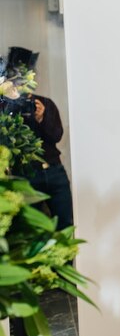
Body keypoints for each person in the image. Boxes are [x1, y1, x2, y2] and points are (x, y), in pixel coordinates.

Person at [6, 47, 74, 231]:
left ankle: (66, 260)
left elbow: (56, 135)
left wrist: (41, 119)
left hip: (54, 171)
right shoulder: (5, 106)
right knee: (31, 229)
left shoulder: (44, 103)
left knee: (65, 224)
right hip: (25, 175)